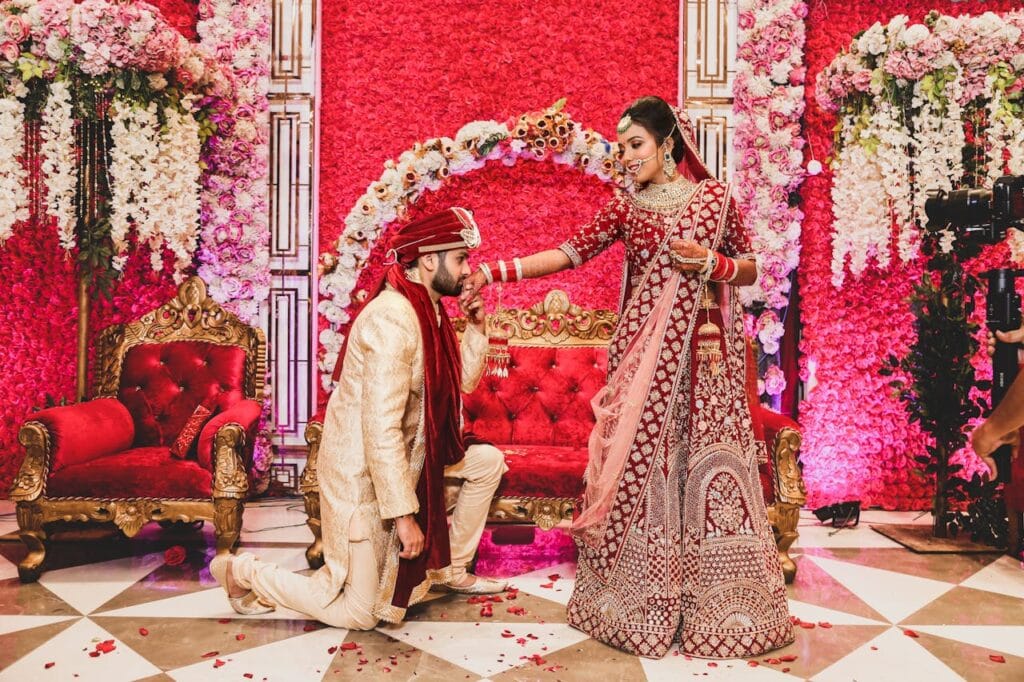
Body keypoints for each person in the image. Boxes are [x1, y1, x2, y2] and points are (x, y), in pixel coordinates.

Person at [462, 96, 794, 659]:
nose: (627, 157)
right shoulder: (626, 208)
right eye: (620, 149)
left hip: (704, 370)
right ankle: (640, 603)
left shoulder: (714, 200)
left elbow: (755, 266)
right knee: (650, 479)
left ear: (668, 144)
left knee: (707, 476)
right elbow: (568, 254)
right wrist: (495, 270)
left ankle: (721, 606)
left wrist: (711, 265)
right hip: (644, 368)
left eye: (635, 145)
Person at [210, 207, 508, 629]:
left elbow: (464, 385)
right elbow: (380, 429)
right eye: (460, 259)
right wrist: (405, 518)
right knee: (360, 614)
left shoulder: (431, 311)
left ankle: (453, 569)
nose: (468, 271)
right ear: (428, 259)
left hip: (414, 455)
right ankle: (241, 571)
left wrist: (477, 328)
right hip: (362, 476)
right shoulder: (393, 319)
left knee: (486, 463)